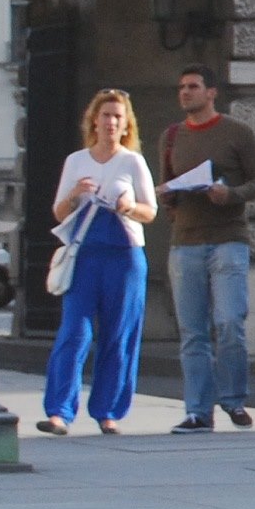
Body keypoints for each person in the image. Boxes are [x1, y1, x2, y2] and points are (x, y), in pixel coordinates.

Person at [38, 90, 157, 437]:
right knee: (75, 331)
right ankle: (59, 412)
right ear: (94, 120)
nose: (111, 122)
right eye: (105, 115)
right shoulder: (76, 161)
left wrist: (128, 207)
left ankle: (108, 411)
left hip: (125, 255)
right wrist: (75, 194)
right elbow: (59, 212)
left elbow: (150, 212)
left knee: (119, 335)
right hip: (86, 253)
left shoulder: (132, 162)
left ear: (126, 125)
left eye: (118, 117)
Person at [158, 65, 255, 433]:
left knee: (230, 322)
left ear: (211, 93)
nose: (185, 93)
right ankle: (197, 412)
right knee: (193, 332)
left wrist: (230, 194)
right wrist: (171, 198)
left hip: (228, 240)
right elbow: (165, 185)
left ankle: (235, 401)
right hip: (186, 242)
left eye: (193, 87)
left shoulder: (237, 132)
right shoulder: (171, 136)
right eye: (181, 87)